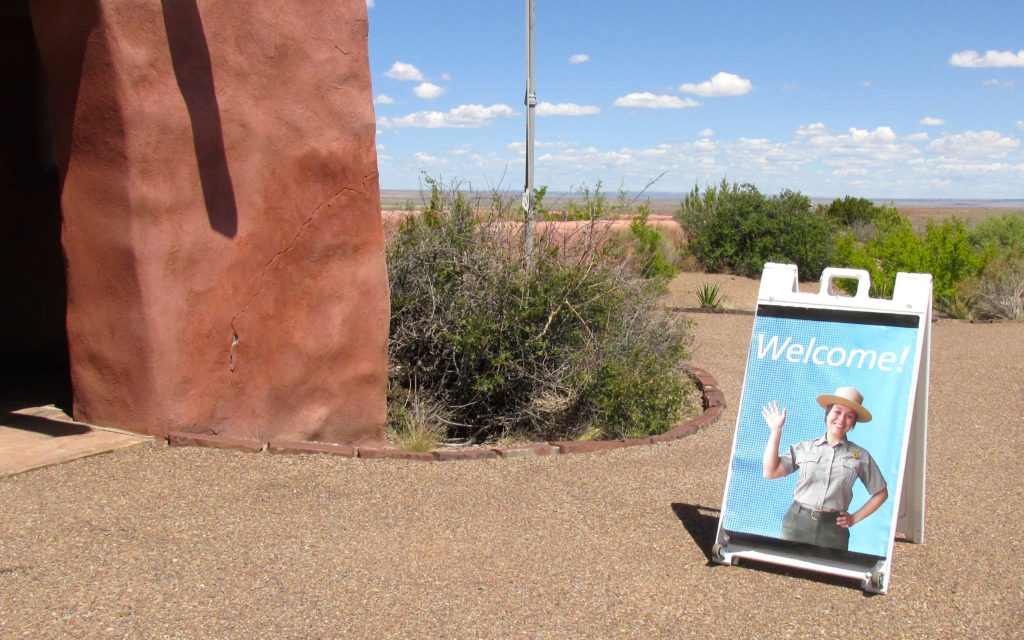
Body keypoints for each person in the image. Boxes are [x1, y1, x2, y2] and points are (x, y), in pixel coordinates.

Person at [761, 386, 888, 552]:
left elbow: (881, 493)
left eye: (849, 416)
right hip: (797, 524)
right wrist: (776, 431)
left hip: (833, 532)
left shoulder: (861, 456)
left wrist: (854, 518)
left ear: (853, 423)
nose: (841, 419)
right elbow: (771, 472)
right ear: (828, 413)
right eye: (837, 412)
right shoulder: (805, 448)